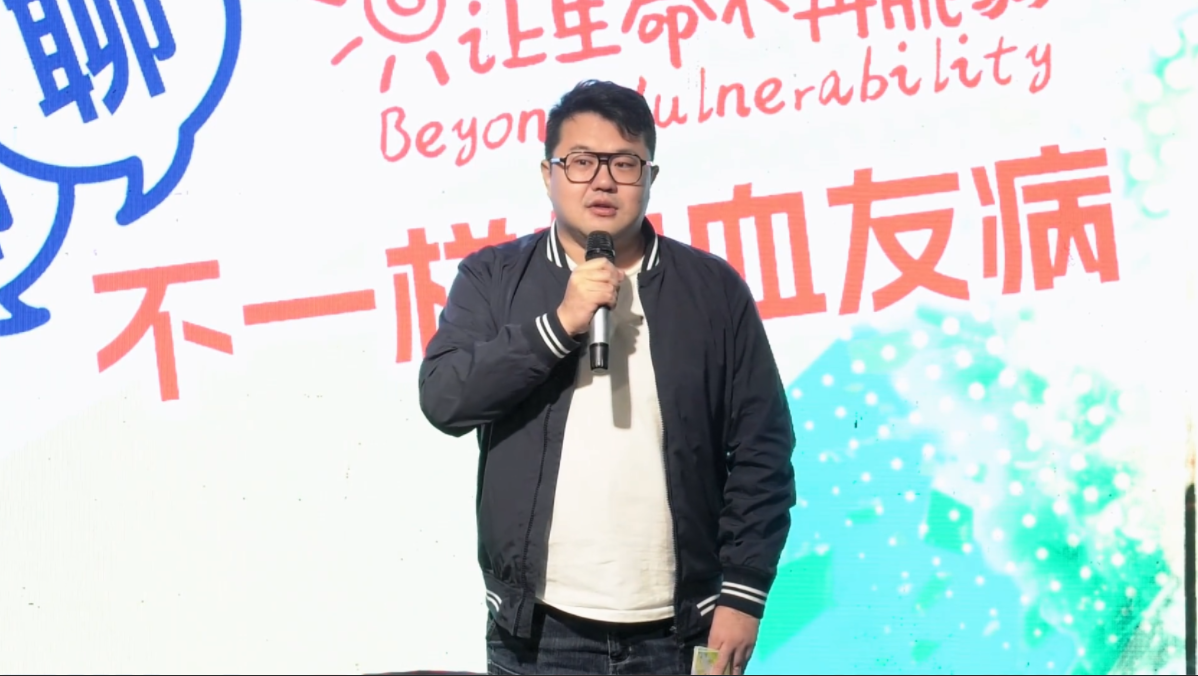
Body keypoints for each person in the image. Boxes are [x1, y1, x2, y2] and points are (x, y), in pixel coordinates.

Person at [418, 80, 796, 676]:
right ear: (548, 174)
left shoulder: (712, 290)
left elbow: (762, 447)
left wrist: (744, 594)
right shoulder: (493, 278)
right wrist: (560, 323)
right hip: (537, 631)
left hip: (682, 630)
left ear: (650, 176)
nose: (602, 181)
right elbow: (444, 399)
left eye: (624, 163)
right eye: (580, 161)